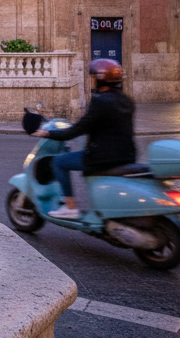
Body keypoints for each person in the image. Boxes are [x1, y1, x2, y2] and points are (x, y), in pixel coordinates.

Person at [34, 58, 136, 220]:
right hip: (127, 154)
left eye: (94, 77)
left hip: (103, 156)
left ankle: (70, 207)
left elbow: (77, 130)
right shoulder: (126, 100)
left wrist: (48, 133)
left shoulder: (100, 101)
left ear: (100, 78)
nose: (92, 81)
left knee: (59, 162)